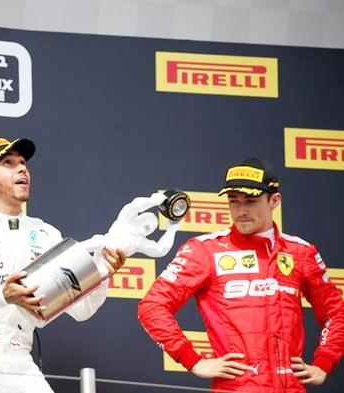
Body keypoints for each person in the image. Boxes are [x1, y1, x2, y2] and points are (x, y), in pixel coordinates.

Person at [0, 137, 126, 393]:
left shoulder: (46, 234)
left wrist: (102, 273)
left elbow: (82, 311)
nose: (22, 169)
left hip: (19, 360)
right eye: (8, 163)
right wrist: (3, 295)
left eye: (23, 163)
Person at [138, 157, 344, 393]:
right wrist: (193, 360)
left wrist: (324, 362)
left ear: (274, 201)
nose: (241, 211)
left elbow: (336, 312)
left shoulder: (301, 252)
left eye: (251, 201)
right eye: (234, 201)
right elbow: (152, 306)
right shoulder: (205, 250)